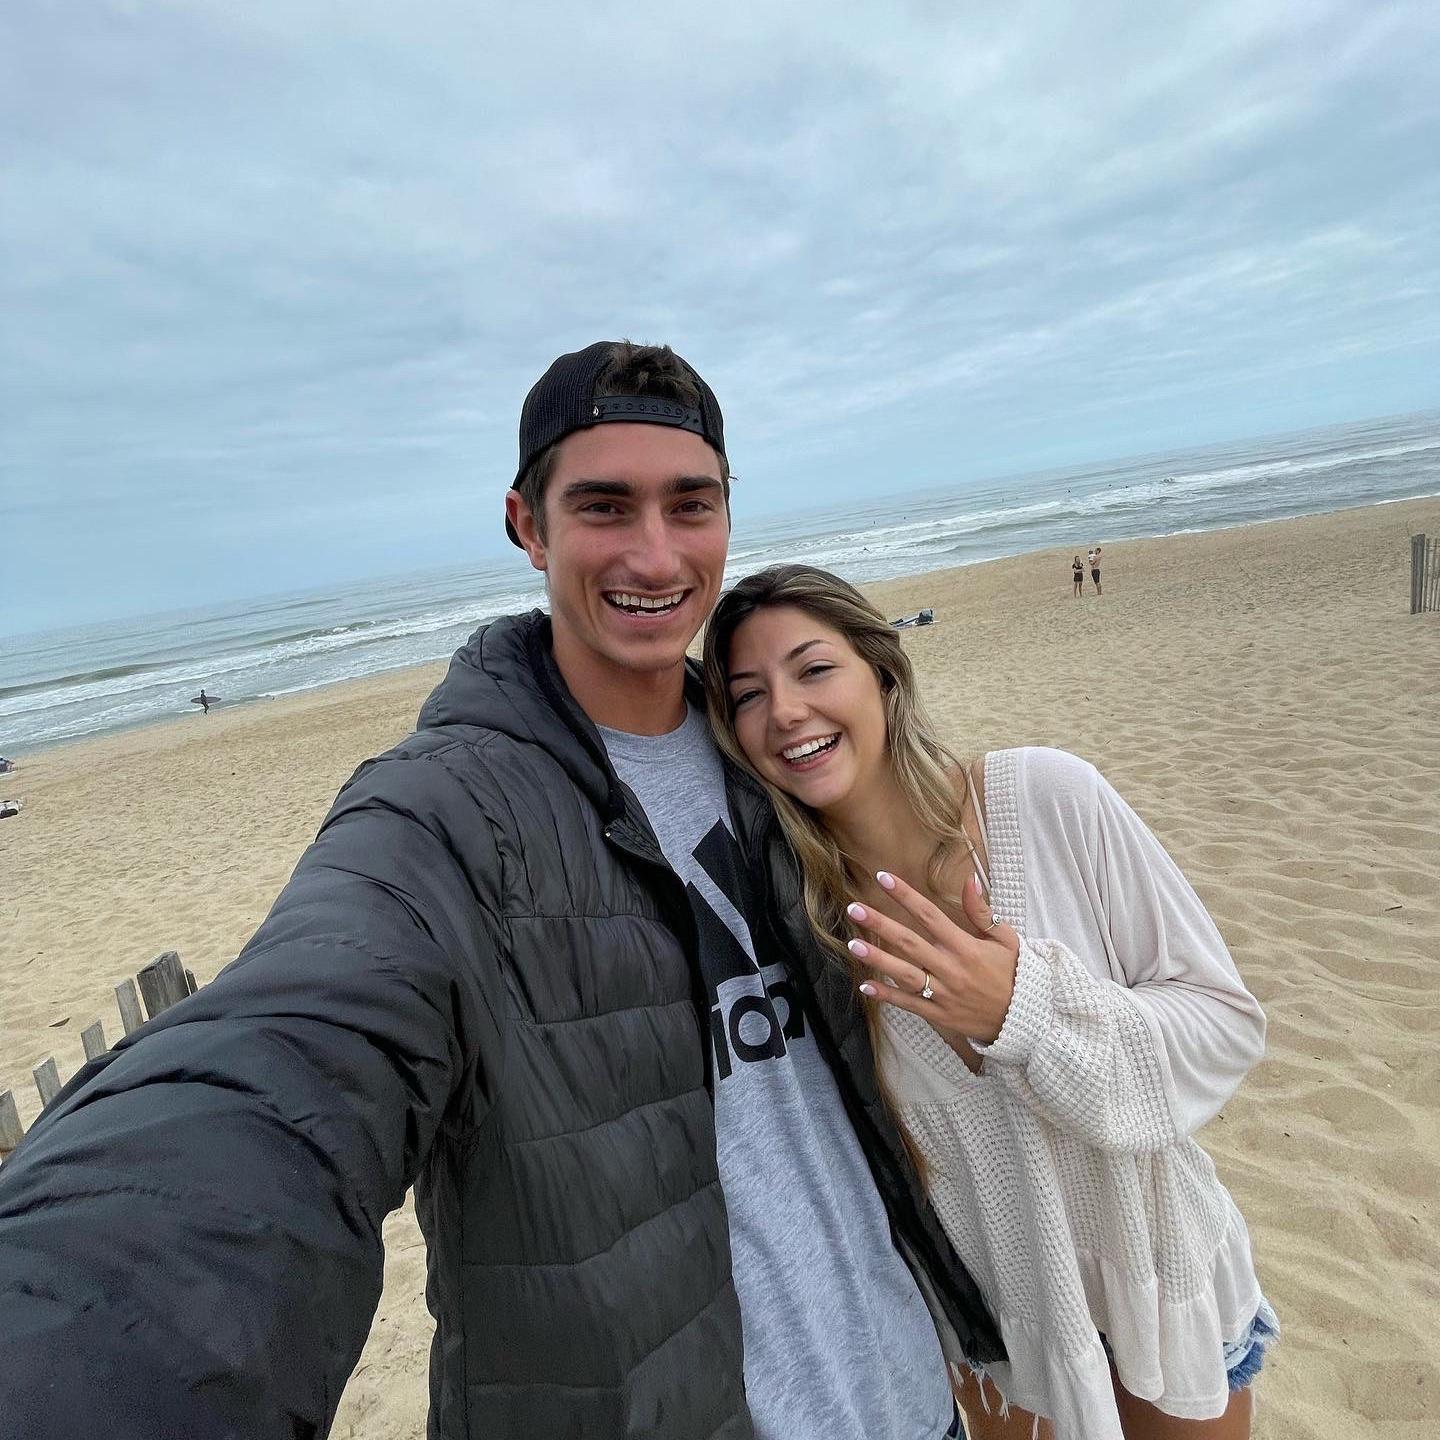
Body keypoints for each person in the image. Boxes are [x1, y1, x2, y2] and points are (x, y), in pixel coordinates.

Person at [0, 343, 999, 1439]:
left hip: (910, 1399)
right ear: (529, 525)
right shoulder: (443, 812)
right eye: (605, 507)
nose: (657, 553)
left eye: (691, 505)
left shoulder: (771, 754)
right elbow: (289, 1053)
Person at [701, 564, 1277, 1440]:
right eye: (747, 695)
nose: (783, 711)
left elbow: (1225, 1027)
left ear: (885, 680)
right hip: (1000, 1336)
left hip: (1160, 1277)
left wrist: (1024, 1010)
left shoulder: (1045, 798)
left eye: (814, 670)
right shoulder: (804, 932)